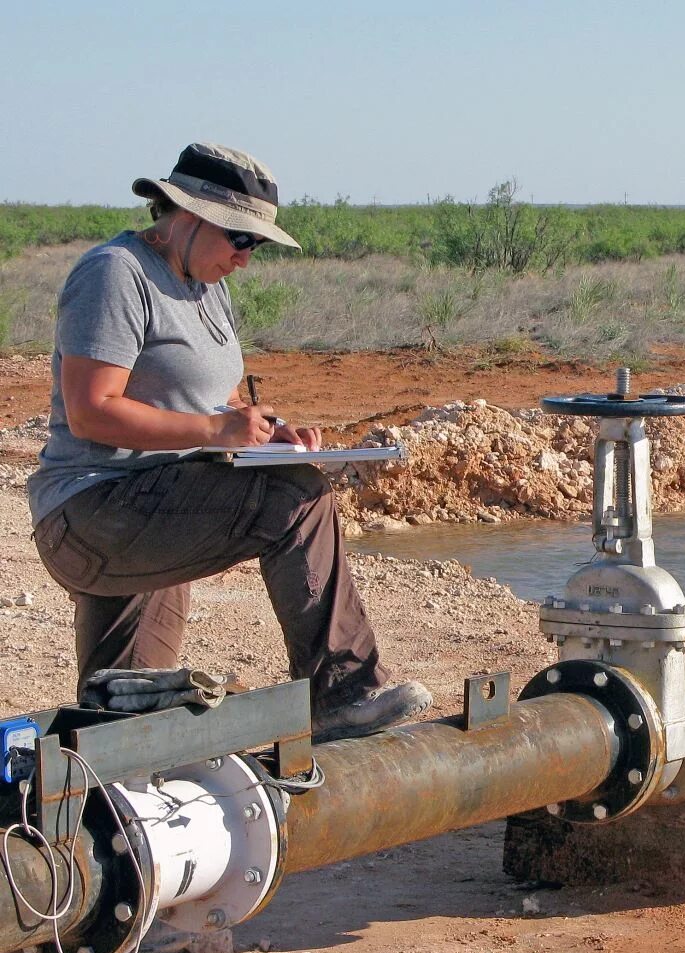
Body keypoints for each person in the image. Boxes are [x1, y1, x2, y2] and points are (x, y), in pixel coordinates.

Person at [28, 142, 430, 742]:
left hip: (162, 504)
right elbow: (92, 413)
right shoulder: (115, 274)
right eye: (240, 239)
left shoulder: (205, 284)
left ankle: (85, 808)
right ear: (188, 216)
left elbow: (192, 403)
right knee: (296, 497)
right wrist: (218, 431)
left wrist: (264, 433)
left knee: (124, 718)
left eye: (257, 245)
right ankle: (340, 691)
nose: (246, 257)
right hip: (95, 513)